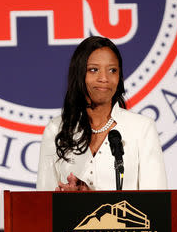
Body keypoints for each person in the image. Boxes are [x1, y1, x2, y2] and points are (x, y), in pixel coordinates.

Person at [36, 36, 167, 191]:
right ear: (79, 74)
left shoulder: (142, 128)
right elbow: (43, 203)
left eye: (112, 70)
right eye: (93, 70)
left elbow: (157, 204)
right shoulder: (56, 129)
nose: (104, 78)